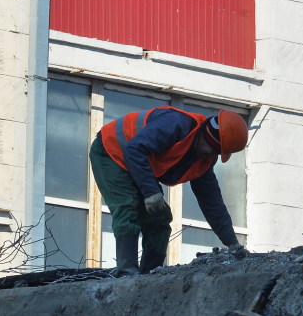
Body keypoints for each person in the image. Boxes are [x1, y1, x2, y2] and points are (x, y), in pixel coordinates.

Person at [90, 107, 248, 275]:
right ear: (206, 133)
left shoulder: (204, 161)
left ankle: (149, 276)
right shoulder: (176, 124)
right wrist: (150, 192)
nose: (209, 153)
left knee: (159, 218)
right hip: (110, 150)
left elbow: (213, 205)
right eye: (210, 146)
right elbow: (134, 150)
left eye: (216, 151)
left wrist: (233, 245)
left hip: (138, 163)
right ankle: (126, 273)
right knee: (127, 206)